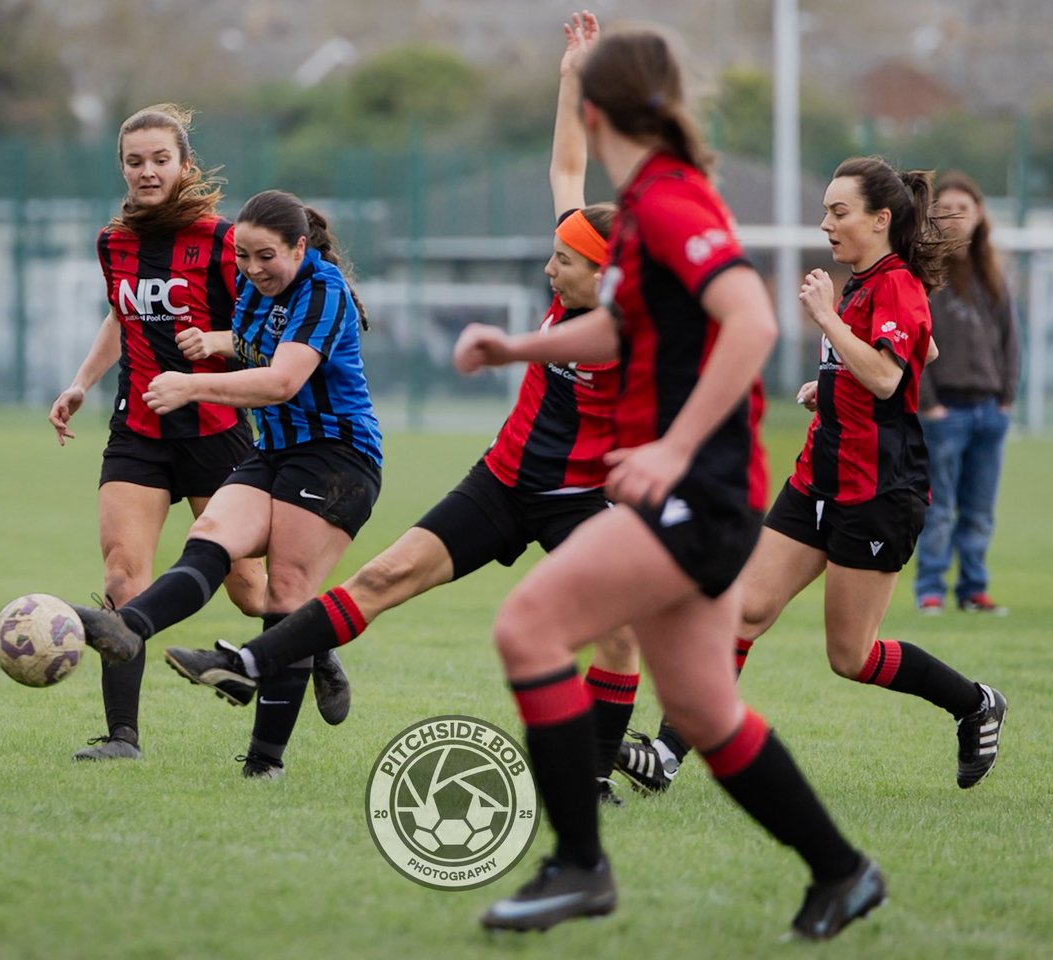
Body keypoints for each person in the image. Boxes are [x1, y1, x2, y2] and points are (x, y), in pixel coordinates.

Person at [160, 11, 658, 807]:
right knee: (387, 574)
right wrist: (571, 80)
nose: (547, 263)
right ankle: (252, 663)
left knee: (621, 628)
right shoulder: (577, 272)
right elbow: (568, 167)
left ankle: (596, 776)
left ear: (606, 274)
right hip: (506, 477)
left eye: (563, 261)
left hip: (589, 496)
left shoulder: (638, 329)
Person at [456, 28, 881, 937]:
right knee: (701, 710)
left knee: (529, 626)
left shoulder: (673, 205)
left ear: (601, 112)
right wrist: (518, 345)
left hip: (698, 493)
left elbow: (753, 323)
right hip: (700, 494)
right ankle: (843, 873)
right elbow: (616, 330)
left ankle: (579, 867)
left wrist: (674, 448)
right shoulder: (648, 202)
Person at [637, 159, 1008, 796]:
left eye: (839, 213)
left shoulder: (890, 286)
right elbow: (916, 357)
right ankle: (667, 754)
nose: (826, 224)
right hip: (818, 478)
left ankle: (976, 704)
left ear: (880, 220)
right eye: (827, 211)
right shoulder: (864, 283)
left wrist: (828, 322)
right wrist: (831, 382)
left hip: (876, 494)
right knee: (741, 610)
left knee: (851, 656)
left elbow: (892, 377)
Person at [69, 187, 382, 780]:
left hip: (338, 456)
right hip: (274, 452)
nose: (252, 269)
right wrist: (218, 342)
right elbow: (249, 345)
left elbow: (283, 380)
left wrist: (191, 383)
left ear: (298, 246)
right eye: (242, 257)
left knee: (285, 589)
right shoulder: (254, 294)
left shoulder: (323, 289)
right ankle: (125, 628)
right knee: (211, 536)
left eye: (266, 257)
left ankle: (265, 764)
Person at [48, 103, 269, 762]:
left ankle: (313, 651)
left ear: (183, 165)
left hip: (217, 428)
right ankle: (123, 737)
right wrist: (82, 382)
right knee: (123, 578)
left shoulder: (226, 242)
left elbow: (267, 336)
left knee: (252, 587)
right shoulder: (112, 240)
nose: (147, 171)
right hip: (139, 429)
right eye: (135, 160)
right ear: (123, 167)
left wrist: (220, 341)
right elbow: (122, 316)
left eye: (159, 159)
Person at [914, 171, 1019, 615]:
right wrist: (930, 404)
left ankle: (973, 589)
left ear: (980, 216)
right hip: (944, 412)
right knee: (938, 509)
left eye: (964, 209)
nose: (955, 217)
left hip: (989, 411)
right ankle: (930, 590)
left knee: (979, 509)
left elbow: (1010, 340)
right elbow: (915, 343)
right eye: (946, 209)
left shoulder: (991, 273)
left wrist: (1006, 396)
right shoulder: (925, 274)